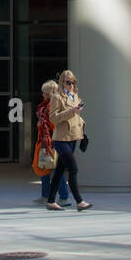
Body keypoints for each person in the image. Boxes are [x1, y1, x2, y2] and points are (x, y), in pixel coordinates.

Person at [46, 69, 92, 211]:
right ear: (62, 82)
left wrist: (82, 129)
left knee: (60, 170)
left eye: (73, 82)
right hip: (61, 139)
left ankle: (51, 201)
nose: (71, 85)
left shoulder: (74, 96)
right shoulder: (57, 97)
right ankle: (79, 201)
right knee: (73, 169)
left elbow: (76, 117)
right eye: (68, 82)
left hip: (73, 137)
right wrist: (72, 111)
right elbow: (53, 117)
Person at [34, 80, 70, 205]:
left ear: (49, 93)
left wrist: (43, 124)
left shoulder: (54, 105)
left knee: (55, 168)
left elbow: (55, 122)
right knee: (44, 165)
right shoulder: (46, 105)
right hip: (46, 140)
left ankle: (64, 197)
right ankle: (46, 195)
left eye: (44, 92)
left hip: (53, 140)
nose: (42, 95)